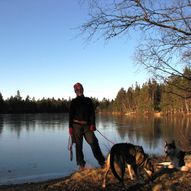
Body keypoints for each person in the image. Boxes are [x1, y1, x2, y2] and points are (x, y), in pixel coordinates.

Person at [69, 82, 105, 170]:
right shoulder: (73, 102)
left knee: (94, 143)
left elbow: (92, 114)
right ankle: (81, 165)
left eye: (80, 89)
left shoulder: (88, 100)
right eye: (77, 90)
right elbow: (70, 115)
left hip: (87, 127)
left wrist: (93, 124)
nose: (79, 90)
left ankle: (102, 163)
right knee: (78, 146)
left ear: (83, 89)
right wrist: (70, 127)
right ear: (75, 91)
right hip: (76, 126)